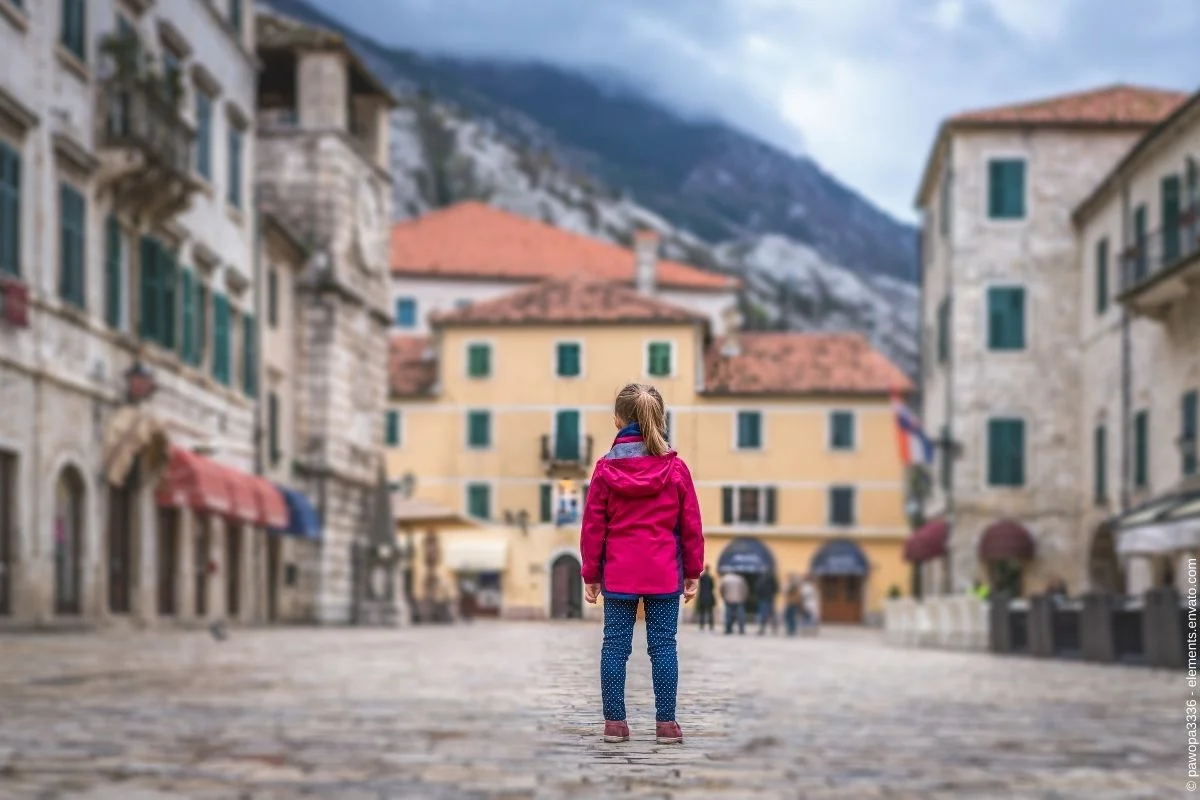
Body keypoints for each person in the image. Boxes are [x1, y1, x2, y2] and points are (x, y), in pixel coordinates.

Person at [580, 383, 704, 746]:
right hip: (664, 572)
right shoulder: (676, 469)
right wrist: (693, 572)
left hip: (619, 573)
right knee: (664, 647)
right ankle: (666, 724)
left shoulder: (604, 470)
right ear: (659, 418)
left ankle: (615, 724)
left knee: (614, 648)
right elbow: (691, 526)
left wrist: (591, 573)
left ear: (618, 420)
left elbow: (592, 527)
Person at [719, 570, 748, 635]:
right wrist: (743, 598)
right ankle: (741, 630)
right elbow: (745, 589)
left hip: (728, 599)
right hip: (739, 599)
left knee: (728, 615)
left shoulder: (725, 579)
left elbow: (721, 589)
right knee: (740, 616)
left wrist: (724, 596)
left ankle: (728, 630)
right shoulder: (740, 579)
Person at [756, 570, 780, 635]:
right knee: (770, 614)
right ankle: (773, 628)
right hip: (768, 598)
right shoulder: (770, 578)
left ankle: (763, 629)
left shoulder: (762, 579)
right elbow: (776, 588)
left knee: (764, 614)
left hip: (765, 598)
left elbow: (758, 588)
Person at [696, 565, 716, 631]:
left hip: (702, 596)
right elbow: (712, 587)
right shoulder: (710, 578)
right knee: (710, 612)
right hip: (709, 597)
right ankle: (711, 626)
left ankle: (701, 625)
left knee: (702, 612)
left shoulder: (701, 578)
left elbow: (700, 587)